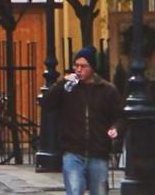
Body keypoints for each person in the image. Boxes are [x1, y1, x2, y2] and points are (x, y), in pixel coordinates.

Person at [39, 47, 124, 195]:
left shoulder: (107, 90)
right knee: (75, 189)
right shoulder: (67, 88)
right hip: (72, 150)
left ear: (92, 68)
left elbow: (120, 116)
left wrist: (115, 128)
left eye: (83, 66)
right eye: (76, 65)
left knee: (99, 191)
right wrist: (60, 84)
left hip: (98, 150)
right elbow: (46, 104)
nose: (79, 70)